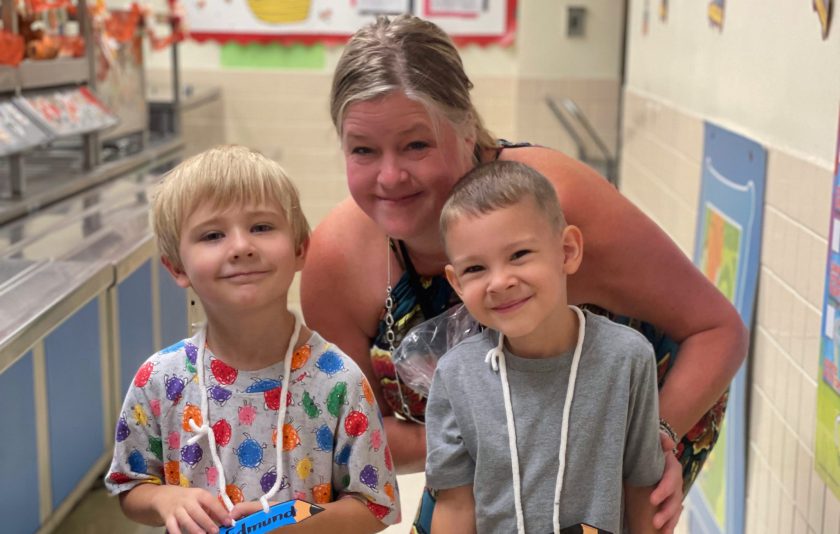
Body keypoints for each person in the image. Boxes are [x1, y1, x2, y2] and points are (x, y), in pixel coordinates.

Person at [301, 14, 747, 533]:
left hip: (629, 423)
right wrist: (476, 435)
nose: (391, 175)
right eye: (363, 150)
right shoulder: (336, 261)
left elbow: (717, 329)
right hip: (483, 438)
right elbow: (360, 429)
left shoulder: (553, 207)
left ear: (467, 126)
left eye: (416, 144)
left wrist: (655, 435)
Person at [104, 145, 400, 534]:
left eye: (261, 227)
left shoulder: (338, 380)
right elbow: (130, 484)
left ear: (299, 249)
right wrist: (164, 499)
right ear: (177, 266)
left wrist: (299, 523)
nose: (242, 247)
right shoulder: (159, 380)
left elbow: (376, 506)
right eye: (212, 235)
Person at [427, 160, 664, 533]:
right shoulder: (457, 375)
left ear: (567, 251)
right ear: (456, 283)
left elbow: (641, 488)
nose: (500, 282)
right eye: (475, 269)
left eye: (519, 255)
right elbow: (455, 505)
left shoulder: (626, 358)